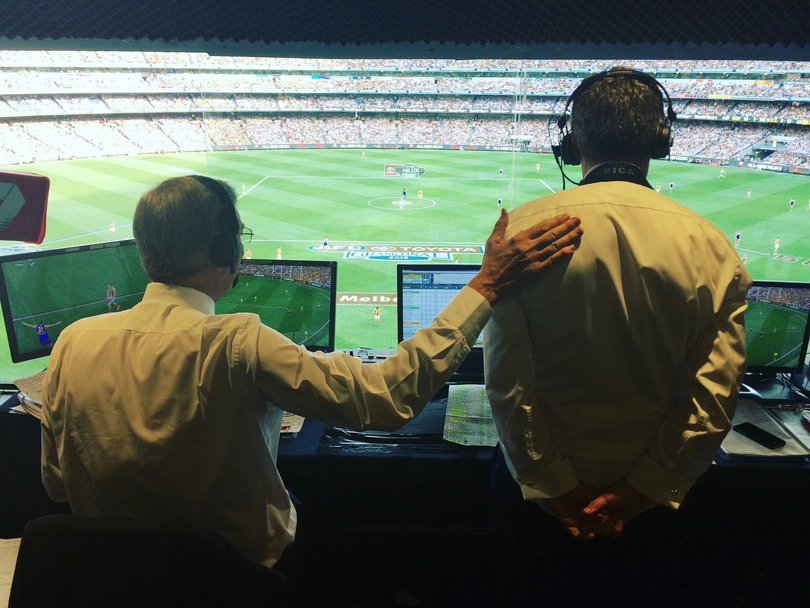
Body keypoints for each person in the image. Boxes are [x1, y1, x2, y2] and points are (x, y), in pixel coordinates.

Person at [40, 175, 582, 585]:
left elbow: (57, 482)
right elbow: (387, 397)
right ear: (227, 251)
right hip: (241, 582)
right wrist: (485, 285)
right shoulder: (237, 340)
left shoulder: (72, 342)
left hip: (115, 582)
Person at [485, 68, 751, 607]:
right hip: (649, 508)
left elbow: (507, 384)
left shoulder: (524, 234)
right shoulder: (712, 246)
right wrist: (638, 492)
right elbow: (713, 398)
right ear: (660, 139)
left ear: (572, 139)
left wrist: (557, 488)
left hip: (537, 503)